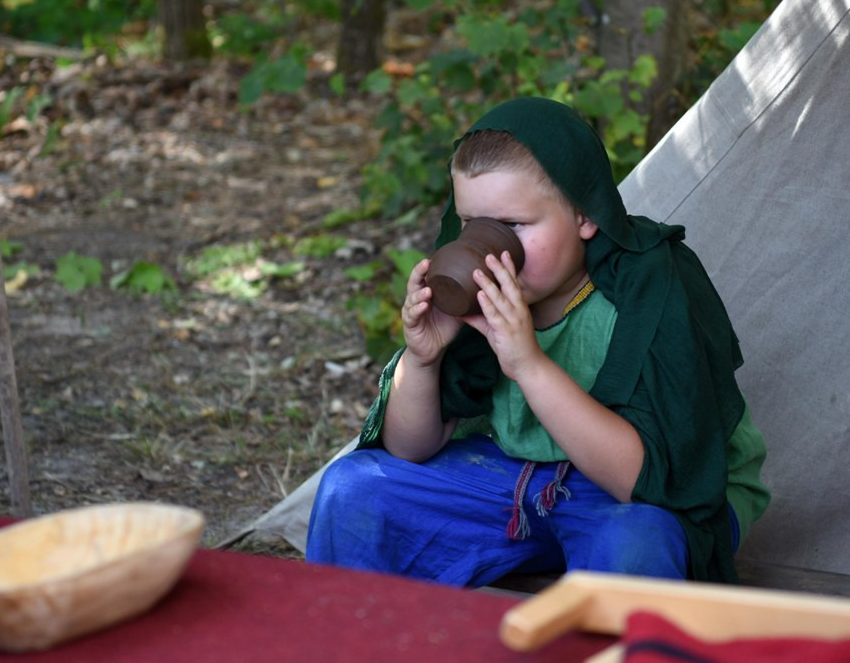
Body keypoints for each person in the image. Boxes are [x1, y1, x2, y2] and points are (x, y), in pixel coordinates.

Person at [306, 97, 770, 587]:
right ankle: (352, 655)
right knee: (352, 489)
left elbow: (647, 485)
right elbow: (409, 451)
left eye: (512, 226)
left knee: (636, 543)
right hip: (512, 479)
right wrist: (424, 360)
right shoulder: (484, 297)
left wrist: (527, 363)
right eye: (471, 225)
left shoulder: (650, 285)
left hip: (634, 498)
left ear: (585, 215)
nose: (488, 246)